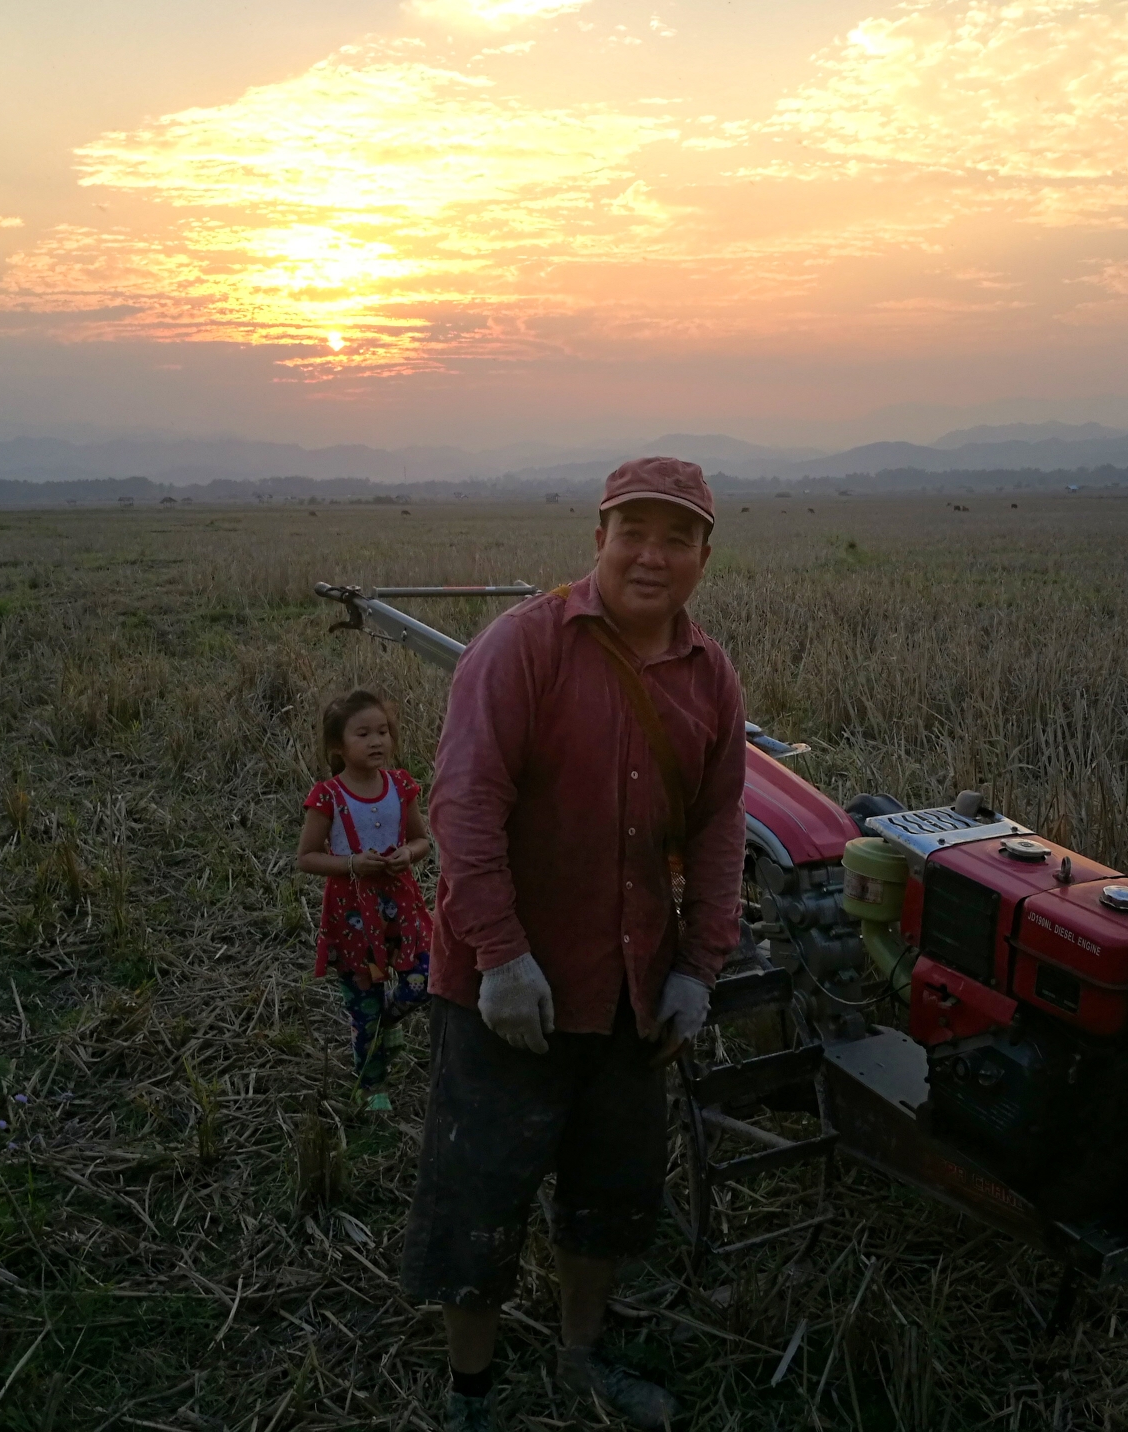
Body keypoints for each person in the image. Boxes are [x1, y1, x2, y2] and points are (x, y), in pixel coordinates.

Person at [401, 457, 747, 1430]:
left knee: (609, 1192)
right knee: (482, 1191)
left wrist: (698, 968)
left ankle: (581, 1353)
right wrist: (502, 956)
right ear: (597, 536)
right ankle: (471, 1390)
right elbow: (464, 809)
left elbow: (721, 828)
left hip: (634, 988)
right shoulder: (520, 650)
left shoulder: (708, 674)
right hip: (504, 992)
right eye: (633, 531)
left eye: (676, 537)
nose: (651, 555)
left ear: (703, 556)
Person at [296, 689, 434, 1113]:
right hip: (353, 913)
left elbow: (421, 840)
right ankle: (370, 1085)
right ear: (338, 746)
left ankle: (392, 1018)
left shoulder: (401, 785)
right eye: (363, 734)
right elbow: (307, 857)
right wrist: (353, 863)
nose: (377, 741)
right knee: (364, 1005)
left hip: (402, 902)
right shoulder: (328, 796)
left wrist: (405, 855)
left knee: (426, 980)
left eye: (383, 731)